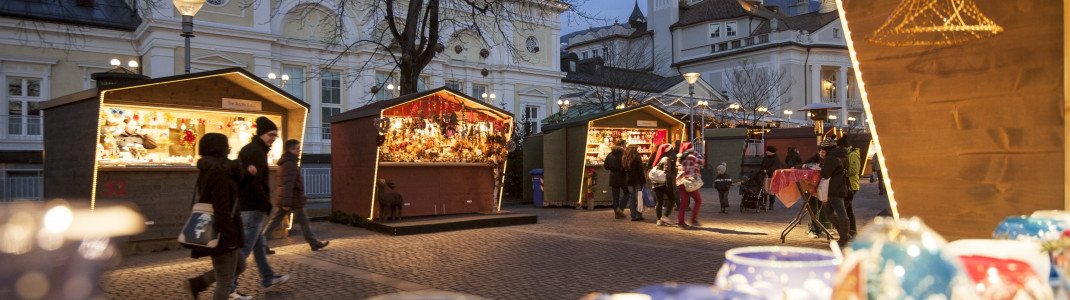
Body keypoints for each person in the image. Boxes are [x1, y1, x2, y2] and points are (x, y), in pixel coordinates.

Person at [185, 133, 251, 300]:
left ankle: (198, 283)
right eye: (226, 145)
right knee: (225, 280)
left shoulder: (212, 169)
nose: (228, 148)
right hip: (223, 231)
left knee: (240, 266)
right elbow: (221, 207)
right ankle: (197, 284)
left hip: (225, 229)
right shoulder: (219, 173)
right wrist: (228, 238)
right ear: (219, 149)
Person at [237, 117, 290, 290]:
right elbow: (255, 181)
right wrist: (264, 202)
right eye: (270, 134)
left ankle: (268, 277)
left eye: (275, 135)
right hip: (252, 206)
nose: (273, 138)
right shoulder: (255, 152)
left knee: (259, 246)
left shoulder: (255, 149)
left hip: (250, 205)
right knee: (245, 249)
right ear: (261, 133)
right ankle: (228, 286)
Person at [263, 140, 330, 253]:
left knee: (285, 221)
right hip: (292, 199)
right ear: (291, 149)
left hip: (291, 199)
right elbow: (288, 185)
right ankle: (313, 243)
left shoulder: (287, 162)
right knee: (284, 221)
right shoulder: (290, 164)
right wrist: (286, 203)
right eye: (298, 148)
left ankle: (314, 243)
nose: (299, 151)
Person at [819, 139, 853, 248]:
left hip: (834, 188)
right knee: (829, 212)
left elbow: (825, 174)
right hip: (844, 186)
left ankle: (844, 238)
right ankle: (844, 234)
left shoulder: (831, 158)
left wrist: (822, 166)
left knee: (842, 214)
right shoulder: (844, 155)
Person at [676, 150, 705, 229]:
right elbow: (702, 161)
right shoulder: (691, 157)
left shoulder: (679, 159)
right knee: (698, 200)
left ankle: (681, 222)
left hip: (681, 182)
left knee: (683, 203)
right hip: (690, 183)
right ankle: (693, 219)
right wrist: (695, 153)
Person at [840, 138, 861, 236]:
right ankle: (852, 231)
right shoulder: (849, 154)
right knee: (848, 210)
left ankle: (848, 232)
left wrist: (842, 172)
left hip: (852, 185)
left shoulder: (853, 154)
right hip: (849, 185)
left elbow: (854, 170)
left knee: (843, 210)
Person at [603, 139, 628, 219]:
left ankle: (617, 214)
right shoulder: (623, 154)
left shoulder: (610, 154)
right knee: (627, 193)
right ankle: (620, 209)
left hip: (613, 176)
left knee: (615, 195)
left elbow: (606, 166)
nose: (625, 146)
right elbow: (625, 165)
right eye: (625, 144)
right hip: (622, 176)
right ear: (622, 145)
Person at [622, 144, 646, 221]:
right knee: (639, 197)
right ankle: (639, 214)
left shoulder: (625, 157)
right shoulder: (637, 157)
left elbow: (623, 169)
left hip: (629, 180)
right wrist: (643, 180)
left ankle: (633, 215)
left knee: (632, 198)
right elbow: (640, 170)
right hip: (637, 180)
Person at [651, 157, 676, 226]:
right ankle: (665, 216)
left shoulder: (658, 162)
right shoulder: (667, 160)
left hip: (656, 184)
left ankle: (659, 220)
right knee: (672, 199)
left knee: (659, 202)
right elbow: (667, 172)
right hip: (664, 184)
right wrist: (670, 185)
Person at [759, 146, 782, 211]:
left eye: (767, 151)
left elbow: (775, 167)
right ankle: (764, 203)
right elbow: (762, 165)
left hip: (772, 176)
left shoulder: (776, 159)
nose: (766, 152)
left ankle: (771, 204)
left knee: (771, 191)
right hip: (765, 176)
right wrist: (762, 170)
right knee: (764, 190)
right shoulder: (766, 157)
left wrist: (767, 171)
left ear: (770, 152)